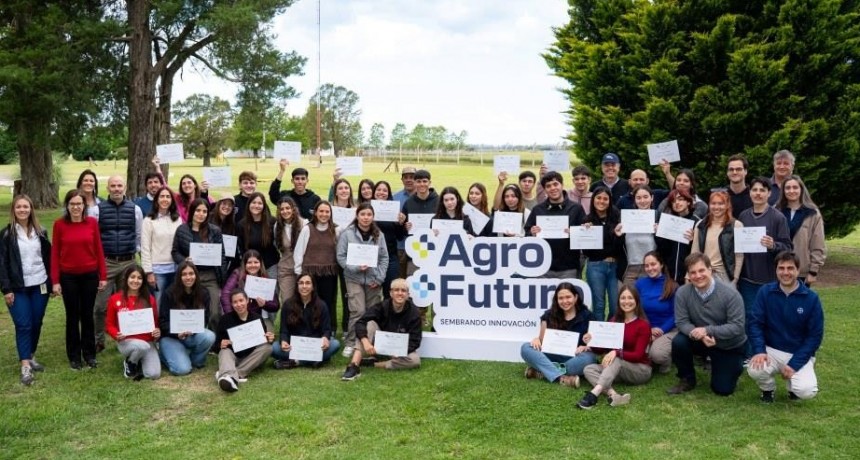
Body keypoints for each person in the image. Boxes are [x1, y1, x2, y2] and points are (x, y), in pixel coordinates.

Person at [747, 252, 824, 402]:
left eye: (790, 268)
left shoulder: (811, 298)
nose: (785, 272)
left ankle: (792, 387)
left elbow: (814, 337)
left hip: (798, 352)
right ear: (776, 270)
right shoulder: (765, 292)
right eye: (781, 268)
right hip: (772, 350)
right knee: (755, 369)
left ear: (797, 270)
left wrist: (794, 364)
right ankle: (767, 389)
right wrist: (759, 350)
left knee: (807, 391)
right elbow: (755, 323)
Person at [667, 253, 746, 396]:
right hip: (701, 340)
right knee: (679, 342)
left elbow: (737, 326)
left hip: (728, 344)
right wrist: (697, 333)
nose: (698, 276)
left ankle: (734, 366)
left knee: (722, 389)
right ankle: (687, 379)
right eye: (693, 272)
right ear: (688, 275)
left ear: (710, 270)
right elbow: (681, 321)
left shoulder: (731, 294)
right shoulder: (683, 293)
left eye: (701, 270)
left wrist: (707, 330)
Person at [51, 190, 107, 370]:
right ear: (67, 206)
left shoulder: (91, 223)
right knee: (72, 316)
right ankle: (74, 356)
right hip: (68, 278)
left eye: (79, 204)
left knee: (87, 316)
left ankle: (89, 354)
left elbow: (99, 250)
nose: (76, 207)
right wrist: (55, 281)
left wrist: (103, 276)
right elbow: (54, 254)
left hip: (90, 275)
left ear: (85, 205)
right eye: (72, 204)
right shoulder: (59, 225)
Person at [738, 177, 792, 357]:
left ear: (769, 193)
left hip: (769, 280)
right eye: (755, 190)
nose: (758, 193)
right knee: (749, 317)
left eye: (762, 190)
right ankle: (750, 354)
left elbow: (787, 248)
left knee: (769, 318)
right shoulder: (744, 216)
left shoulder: (778, 217)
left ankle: (773, 352)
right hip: (747, 278)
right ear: (750, 193)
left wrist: (773, 245)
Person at [0, 195, 52, 385]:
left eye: (26, 206)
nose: (23, 210)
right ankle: (25, 366)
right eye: (19, 207)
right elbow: (2, 264)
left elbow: (48, 258)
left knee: (36, 322)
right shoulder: (6, 234)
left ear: (31, 209)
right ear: (13, 210)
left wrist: (53, 282)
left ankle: (30, 355)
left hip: (40, 284)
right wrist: (6, 289)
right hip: (17, 287)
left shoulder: (41, 231)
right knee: (23, 324)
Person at [577, 285, 652, 409]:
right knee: (589, 369)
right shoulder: (614, 321)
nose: (626, 301)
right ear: (618, 301)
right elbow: (602, 348)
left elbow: (638, 355)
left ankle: (593, 395)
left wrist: (617, 353)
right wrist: (591, 341)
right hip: (618, 369)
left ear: (637, 301)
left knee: (616, 359)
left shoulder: (643, 325)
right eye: (623, 298)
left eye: (630, 298)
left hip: (640, 370)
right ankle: (614, 395)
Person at [94, 175, 143, 353]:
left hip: (128, 262)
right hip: (106, 263)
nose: (116, 189)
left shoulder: (135, 209)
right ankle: (98, 339)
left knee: (129, 304)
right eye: (113, 186)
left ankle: (128, 336)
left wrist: (135, 255)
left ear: (125, 188)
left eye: (119, 185)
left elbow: (138, 234)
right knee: (100, 306)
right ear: (107, 188)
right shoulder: (97, 210)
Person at [341, 278, 422, 381]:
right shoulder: (382, 306)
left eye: (403, 290)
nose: (400, 293)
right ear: (391, 293)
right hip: (378, 345)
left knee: (415, 360)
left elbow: (415, 340)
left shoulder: (414, 313)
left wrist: (401, 351)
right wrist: (365, 341)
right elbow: (360, 322)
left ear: (407, 294)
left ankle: (374, 364)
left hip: (398, 349)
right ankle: (354, 365)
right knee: (370, 323)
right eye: (396, 290)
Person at [337, 202, 389, 358]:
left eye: (369, 215)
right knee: (358, 311)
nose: (366, 218)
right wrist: (355, 267)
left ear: (373, 217)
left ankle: (370, 342)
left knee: (372, 312)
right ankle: (352, 342)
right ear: (357, 216)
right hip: (354, 278)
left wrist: (379, 278)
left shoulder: (379, 235)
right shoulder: (347, 234)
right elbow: (340, 256)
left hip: (373, 280)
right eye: (363, 214)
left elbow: (384, 257)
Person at [520, 282, 595, 387]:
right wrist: (537, 339)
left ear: (576, 297)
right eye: (561, 298)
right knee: (526, 348)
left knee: (589, 358)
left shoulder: (588, 316)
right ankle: (562, 378)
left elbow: (594, 343)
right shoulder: (548, 315)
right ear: (556, 300)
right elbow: (541, 341)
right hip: (551, 355)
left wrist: (587, 346)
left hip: (573, 358)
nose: (565, 301)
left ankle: (542, 372)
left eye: (568, 297)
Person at [172, 198, 225, 331]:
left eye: (204, 211)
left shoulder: (215, 231)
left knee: (214, 312)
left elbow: (221, 255)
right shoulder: (182, 230)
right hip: (189, 276)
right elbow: (175, 252)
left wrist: (222, 276)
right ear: (192, 212)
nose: (201, 214)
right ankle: (192, 336)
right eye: (198, 211)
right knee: (193, 309)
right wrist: (184, 261)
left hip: (211, 276)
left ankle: (213, 340)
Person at [524, 171, 586, 279]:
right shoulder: (538, 210)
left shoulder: (576, 209)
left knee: (567, 296)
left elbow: (585, 236)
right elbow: (527, 234)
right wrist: (532, 233)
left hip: (569, 268)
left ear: (562, 185)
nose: (553, 188)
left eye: (555, 184)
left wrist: (576, 233)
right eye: (548, 186)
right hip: (543, 268)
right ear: (544, 189)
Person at [158, 261, 216, 376]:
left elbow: (205, 318)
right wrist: (177, 333)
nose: (188, 277)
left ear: (196, 275)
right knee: (182, 370)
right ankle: (163, 355)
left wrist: (194, 329)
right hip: (171, 337)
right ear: (179, 276)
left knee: (209, 336)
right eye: (184, 274)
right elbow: (163, 322)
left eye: (191, 273)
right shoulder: (169, 293)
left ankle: (195, 360)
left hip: (192, 335)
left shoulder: (203, 293)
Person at [272, 273, 341, 369]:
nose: (304, 286)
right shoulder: (288, 304)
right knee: (274, 348)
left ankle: (295, 362)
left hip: (314, 345)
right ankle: (313, 360)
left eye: (308, 283)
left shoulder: (322, 305)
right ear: (297, 286)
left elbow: (327, 329)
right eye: (301, 283)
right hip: (294, 346)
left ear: (313, 287)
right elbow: (284, 330)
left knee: (335, 344)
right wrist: (284, 341)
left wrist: (325, 337)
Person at [105, 265, 161, 380]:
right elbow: (109, 324)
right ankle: (130, 362)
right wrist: (116, 334)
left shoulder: (150, 299)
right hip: (126, 341)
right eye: (132, 277)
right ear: (126, 279)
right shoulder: (115, 299)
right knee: (141, 346)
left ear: (143, 281)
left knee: (153, 374)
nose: (135, 280)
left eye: (139, 278)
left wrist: (157, 331)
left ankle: (139, 361)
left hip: (147, 341)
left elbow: (155, 323)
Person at [294, 201, 341, 333]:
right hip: (310, 273)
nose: (324, 214)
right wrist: (299, 272)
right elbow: (299, 251)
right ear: (315, 213)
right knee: (310, 301)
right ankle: (309, 328)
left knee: (328, 302)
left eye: (327, 212)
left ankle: (328, 330)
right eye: (321, 211)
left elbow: (339, 250)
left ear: (331, 214)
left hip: (329, 273)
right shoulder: (307, 229)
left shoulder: (336, 230)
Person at [215, 289, 274, 392]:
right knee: (224, 351)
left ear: (247, 301)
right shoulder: (225, 320)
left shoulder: (257, 318)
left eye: (241, 300)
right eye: (235, 302)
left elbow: (262, 341)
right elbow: (216, 346)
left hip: (250, 357)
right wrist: (221, 344)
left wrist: (268, 338)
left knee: (267, 348)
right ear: (232, 304)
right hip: (232, 356)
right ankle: (231, 376)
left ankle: (229, 375)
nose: (239, 304)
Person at [774, 175, 826, 286]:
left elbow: (818, 244)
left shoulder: (812, 214)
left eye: (795, 187)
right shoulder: (776, 211)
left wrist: (813, 271)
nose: (791, 191)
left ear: (801, 190)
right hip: (778, 270)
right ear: (783, 191)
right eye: (787, 188)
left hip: (801, 271)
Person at [581, 186, 622, 321]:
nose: (602, 201)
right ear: (593, 200)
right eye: (598, 198)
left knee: (615, 306)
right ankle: (598, 338)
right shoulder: (587, 220)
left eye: (605, 199)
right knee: (599, 305)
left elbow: (620, 246)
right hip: (595, 266)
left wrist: (618, 235)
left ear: (610, 201)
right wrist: (586, 234)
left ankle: (611, 332)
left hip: (615, 266)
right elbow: (586, 251)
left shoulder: (617, 217)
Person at [635, 251, 679, 373]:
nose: (650, 268)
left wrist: (660, 331)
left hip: (668, 330)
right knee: (637, 352)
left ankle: (666, 361)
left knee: (657, 355)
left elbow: (677, 315)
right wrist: (648, 329)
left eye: (653, 264)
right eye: (646, 265)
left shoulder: (673, 286)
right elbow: (636, 310)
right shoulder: (640, 283)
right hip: (647, 328)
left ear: (661, 265)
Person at [141, 186, 182, 307]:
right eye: (162, 196)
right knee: (158, 304)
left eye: (168, 196)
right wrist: (149, 272)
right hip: (157, 271)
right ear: (157, 200)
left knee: (174, 303)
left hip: (175, 269)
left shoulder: (177, 219)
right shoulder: (149, 221)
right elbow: (145, 248)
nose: (165, 199)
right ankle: (158, 326)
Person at [691, 190, 744, 284]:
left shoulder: (736, 225)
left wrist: (735, 279)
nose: (716, 207)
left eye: (720, 203)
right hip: (703, 274)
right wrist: (689, 276)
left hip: (725, 277)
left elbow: (739, 255)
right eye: (713, 203)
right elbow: (694, 252)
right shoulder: (700, 224)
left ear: (727, 205)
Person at [221, 250, 279, 330]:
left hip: (254, 318)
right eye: (249, 262)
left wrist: (265, 304)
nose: (253, 265)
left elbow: (275, 305)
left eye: (256, 262)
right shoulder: (237, 274)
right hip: (237, 315)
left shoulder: (264, 278)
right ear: (245, 264)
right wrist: (231, 316)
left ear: (260, 263)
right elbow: (225, 294)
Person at [615, 185, 657, 284]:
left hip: (651, 269)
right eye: (638, 198)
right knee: (628, 299)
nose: (642, 201)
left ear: (652, 198)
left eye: (645, 197)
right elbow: (618, 247)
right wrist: (618, 236)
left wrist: (658, 234)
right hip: (630, 269)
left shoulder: (658, 217)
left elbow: (665, 248)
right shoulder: (626, 219)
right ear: (634, 200)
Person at [656, 189, 700, 284]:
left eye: (680, 199)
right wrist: (659, 235)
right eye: (673, 201)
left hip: (690, 276)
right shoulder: (668, 222)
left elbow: (701, 251)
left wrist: (693, 240)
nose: (677, 203)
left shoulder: (697, 222)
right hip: (669, 277)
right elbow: (663, 251)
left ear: (688, 201)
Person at [372, 181, 406, 297]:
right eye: (379, 190)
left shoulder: (394, 211)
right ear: (374, 192)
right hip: (370, 257)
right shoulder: (367, 210)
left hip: (390, 257)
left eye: (385, 190)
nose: (381, 192)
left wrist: (400, 224)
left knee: (390, 292)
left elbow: (400, 236)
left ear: (389, 193)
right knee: (372, 295)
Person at [236, 192, 279, 277]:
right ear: (249, 204)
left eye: (260, 203)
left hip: (270, 266)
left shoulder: (272, 222)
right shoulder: (242, 225)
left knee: (273, 290)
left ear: (264, 206)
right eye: (254, 202)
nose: (256, 206)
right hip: (251, 268)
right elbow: (240, 248)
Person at [274, 196, 306, 305]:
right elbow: (277, 246)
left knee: (303, 302)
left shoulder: (304, 224)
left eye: (287, 208)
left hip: (303, 269)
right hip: (286, 269)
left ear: (293, 209)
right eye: (282, 209)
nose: (285, 211)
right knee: (287, 302)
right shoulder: (277, 227)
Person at [393, 166, 417, 278]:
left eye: (412, 177)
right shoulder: (394, 198)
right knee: (400, 278)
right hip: (401, 245)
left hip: (419, 245)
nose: (408, 180)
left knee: (415, 278)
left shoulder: (422, 197)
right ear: (402, 180)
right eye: (405, 177)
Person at [715, 154, 753, 218]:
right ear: (727, 172)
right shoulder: (720, 195)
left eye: (738, 169)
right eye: (731, 169)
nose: (734, 172)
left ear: (745, 171)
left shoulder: (754, 195)